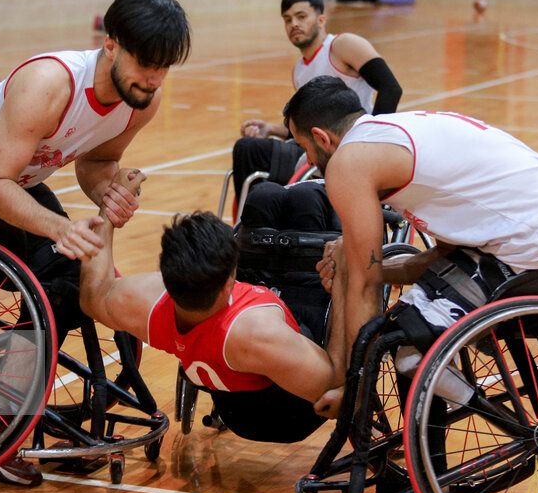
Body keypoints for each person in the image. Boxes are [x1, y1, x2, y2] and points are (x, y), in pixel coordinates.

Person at [0, 0, 191, 486]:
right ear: (111, 44)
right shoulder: (49, 83)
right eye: (147, 62)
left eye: (165, 66)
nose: (154, 77)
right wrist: (60, 227)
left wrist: (111, 193)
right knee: (54, 282)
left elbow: (98, 161)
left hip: (8, 184)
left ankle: (25, 411)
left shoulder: (141, 99)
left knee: (91, 281)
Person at [283, 76, 538, 411]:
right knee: (417, 312)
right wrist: (359, 263)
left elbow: (365, 288)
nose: (309, 162)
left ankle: (504, 423)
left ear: (322, 137)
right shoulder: (398, 130)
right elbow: (437, 258)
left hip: (535, 252)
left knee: (408, 347)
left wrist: (357, 391)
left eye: (305, 149)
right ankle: (439, 436)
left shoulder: (349, 163)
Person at [78, 169, 349, 445]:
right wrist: (343, 288)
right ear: (228, 284)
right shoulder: (257, 333)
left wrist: (108, 209)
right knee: (309, 198)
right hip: (286, 415)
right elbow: (334, 389)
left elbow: (92, 294)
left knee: (264, 196)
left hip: (236, 401)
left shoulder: (147, 305)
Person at [231, 0, 402, 198]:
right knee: (250, 150)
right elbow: (306, 128)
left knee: (249, 150)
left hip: (345, 149)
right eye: (287, 19)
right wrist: (271, 129)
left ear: (321, 20)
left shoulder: (343, 45)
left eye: (301, 16)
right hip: (313, 152)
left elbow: (390, 88)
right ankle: (259, 223)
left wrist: (371, 144)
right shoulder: (299, 70)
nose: (294, 24)